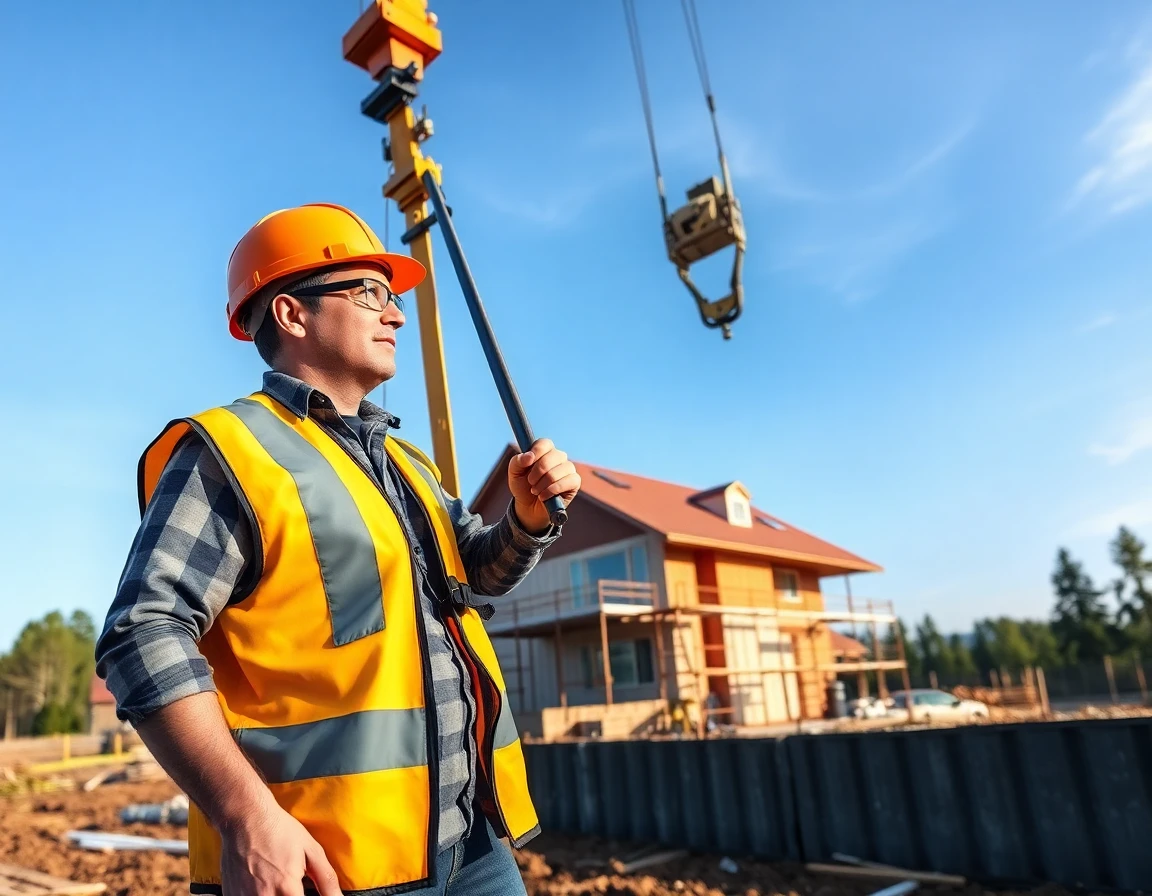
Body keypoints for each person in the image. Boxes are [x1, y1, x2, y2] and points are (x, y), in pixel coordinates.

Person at [96, 203, 580, 896]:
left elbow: (472, 576)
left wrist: (524, 522)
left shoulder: (406, 464)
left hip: (472, 844)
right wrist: (244, 815)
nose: (397, 315)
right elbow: (142, 633)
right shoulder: (231, 453)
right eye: (371, 293)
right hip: (328, 866)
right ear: (292, 314)